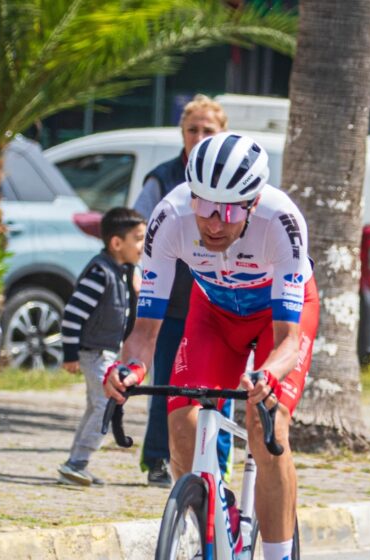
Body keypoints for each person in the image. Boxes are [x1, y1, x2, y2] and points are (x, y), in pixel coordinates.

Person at [105, 132, 319, 560]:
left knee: (267, 426)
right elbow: (145, 331)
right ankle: (220, 521)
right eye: (204, 206)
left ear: (253, 204)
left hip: (276, 319)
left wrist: (268, 375)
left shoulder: (283, 221)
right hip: (214, 314)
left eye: (230, 210)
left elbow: (288, 341)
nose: (215, 223)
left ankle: (278, 555)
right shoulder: (169, 218)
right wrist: (130, 368)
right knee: (181, 424)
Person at [132, 93, 231, 488]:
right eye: (192, 129)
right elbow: (138, 230)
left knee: (222, 388)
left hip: (222, 302)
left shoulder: (236, 178)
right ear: (182, 132)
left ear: (222, 133)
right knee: (167, 384)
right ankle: (158, 457)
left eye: (208, 130)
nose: (199, 136)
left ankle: (218, 464)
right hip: (173, 302)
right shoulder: (162, 178)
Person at [57, 207, 146, 486]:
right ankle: (76, 464)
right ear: (117, 243)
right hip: (93, 353)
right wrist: (70, 354)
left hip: (104, 352)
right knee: (106, 403)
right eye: (138, 239)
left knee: (97, 405)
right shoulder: (100, 273)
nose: (143, 246)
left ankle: (76, 462)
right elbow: (72, 314)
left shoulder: (121, 272)